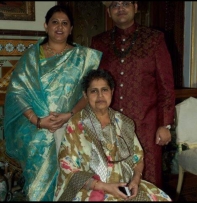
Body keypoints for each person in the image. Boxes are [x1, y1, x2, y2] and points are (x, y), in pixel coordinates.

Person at [3, 5, 102, 201]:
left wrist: (69, 114)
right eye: (55, 22)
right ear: (46, 26)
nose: (59, 27)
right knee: (38, 170)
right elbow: (17, 92)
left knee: (72, 177)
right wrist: (38, 121)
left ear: (71, 29)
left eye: (65, 23)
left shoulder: (83, 57)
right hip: (35, 129)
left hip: (71, 126)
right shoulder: (32, 56)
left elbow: (89, 93)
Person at [90, 1, 175, 188]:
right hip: (110, 127)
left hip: (146, 127)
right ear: (108, 11)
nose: (120, 8)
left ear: (136, 7)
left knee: (149, 178)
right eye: (115, 4)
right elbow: (93, 85)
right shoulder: (99, 42)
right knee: (113, 179)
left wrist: (165, 124)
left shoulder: (154, 39)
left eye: (126, 3)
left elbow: (166, 86)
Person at [53, 69, 171, 201]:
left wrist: (135, 181)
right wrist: (105, 187)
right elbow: (67, 166)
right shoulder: (75, 124)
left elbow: (137, 159)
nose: (100, 96)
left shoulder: (124, 123)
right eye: (93, 91)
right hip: (89, 187)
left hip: (124, 185)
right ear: (85, 95)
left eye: (104, 90)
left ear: (112, 92)